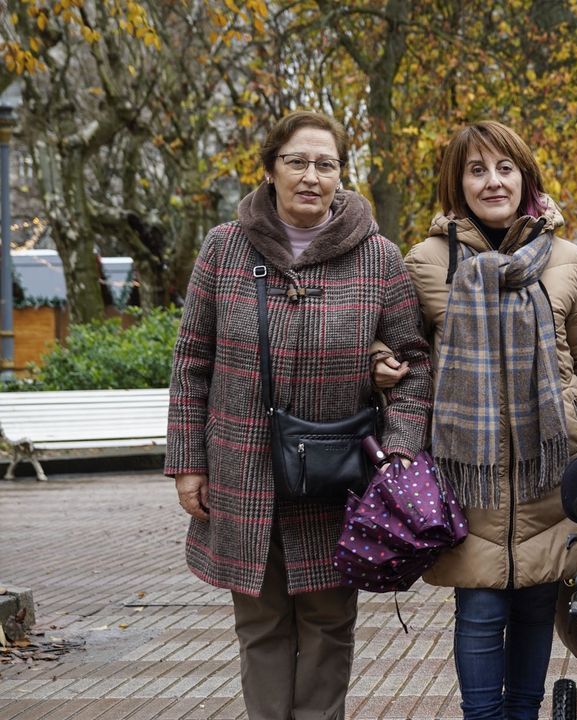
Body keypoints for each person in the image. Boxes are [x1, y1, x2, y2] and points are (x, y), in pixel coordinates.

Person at [166, 110, 433, 719]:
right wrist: (188, 464)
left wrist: (397, 449)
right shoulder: (223, 249)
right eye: (297, 161)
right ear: (269, 169)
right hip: (242, 471)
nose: (312, 176)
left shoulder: (378, 257)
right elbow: (191, 363)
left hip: (337, 474)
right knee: (259, 625)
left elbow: (415, 364)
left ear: (341, 174)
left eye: (326, 163)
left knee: (328, 624)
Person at [373, 121, 577, 720]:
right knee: (479, 608)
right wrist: (379, 362)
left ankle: (523, 713)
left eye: (504, 168)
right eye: (477, 170)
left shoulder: (569, 259)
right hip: (467, 464)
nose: (492, 181)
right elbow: (400, 345)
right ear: (457, 182)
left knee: (536, 604)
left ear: (525, 176)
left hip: (550, 458)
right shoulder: (426, 260)